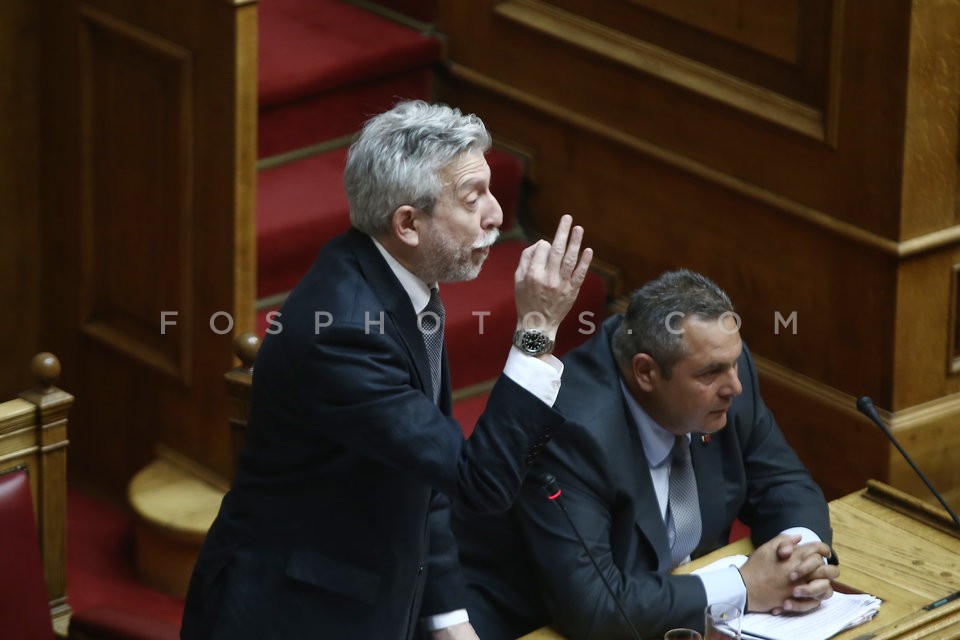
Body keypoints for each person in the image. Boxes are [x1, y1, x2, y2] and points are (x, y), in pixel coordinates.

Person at [179, 100, 593, 640]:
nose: (496, 214)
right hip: (291, 615)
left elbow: (426, 471)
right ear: (408, 223)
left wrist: (448, 617)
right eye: (474, 198)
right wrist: (536, 329)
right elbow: (478, 482)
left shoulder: (403, 282)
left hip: (370, 601)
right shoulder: (346, 332)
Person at [454, 269, 839, 639]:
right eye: (711, 374)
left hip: (669, 613)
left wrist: (799, 561)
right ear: (646, 373)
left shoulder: (721, 371)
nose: (734, 386)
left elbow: (783, 483)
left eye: (734, 363)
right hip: (537, 623)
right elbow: (594, 606)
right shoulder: (572, 431)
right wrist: (744, 586)